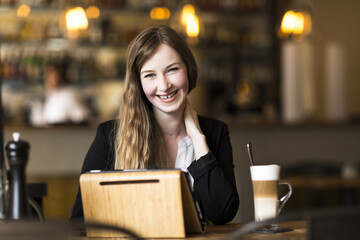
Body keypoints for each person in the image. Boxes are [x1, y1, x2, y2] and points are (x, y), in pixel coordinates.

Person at [70, 26, 239, 225]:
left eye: (173, 69)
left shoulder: (214, 133)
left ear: (189, 69)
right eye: (150, 75)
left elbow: (222, 213)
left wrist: (197, 138)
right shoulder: (109, 136)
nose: (164, 85)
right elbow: (80, 221)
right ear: (138, 82)